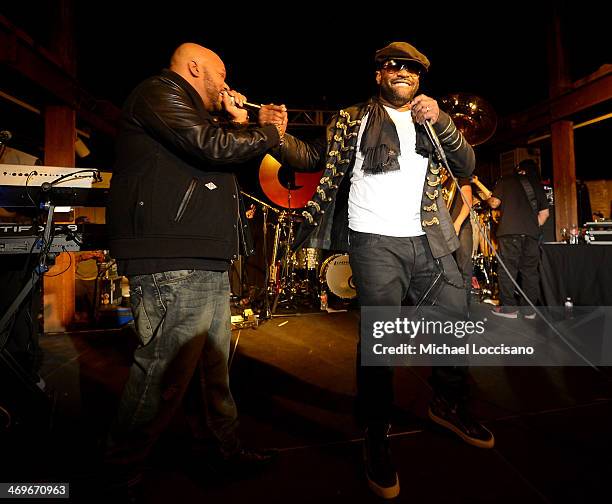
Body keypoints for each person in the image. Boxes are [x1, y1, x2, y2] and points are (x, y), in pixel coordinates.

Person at [274, 41, 494, 500]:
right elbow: (313, 160)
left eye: (412, 69)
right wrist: (276, 134)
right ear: (378, 74)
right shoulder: (352, 118)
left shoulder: (429, 119)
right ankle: (376, 432)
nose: (403, 72)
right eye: (393, 65)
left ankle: (447, 402)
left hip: (430, 238)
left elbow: (468, 165)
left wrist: (445, 123)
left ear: (420, 79)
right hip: (373, 240)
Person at [105, 42, 286, 487]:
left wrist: (237, 122)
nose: (226, 84)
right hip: (171, 257)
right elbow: (211, 148)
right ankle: (117, 474)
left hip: (200, 255)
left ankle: (219, 451)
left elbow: (217, 150)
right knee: (164, 373)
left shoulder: (193, 113)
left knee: (212, 371)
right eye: (220, 75)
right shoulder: (158, 93)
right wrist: (264, 130)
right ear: (194, 68)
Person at [485, 159, 550, 318]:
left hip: (509, 233)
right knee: (530, 272)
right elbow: (545, 214)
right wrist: (532, 227)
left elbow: (494, 203)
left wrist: (486, 199)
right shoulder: (537, 184)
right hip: (531, 235)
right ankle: (529, 311)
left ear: (519, 169)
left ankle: (510, 310)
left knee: (507, 271)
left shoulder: (505, 180)